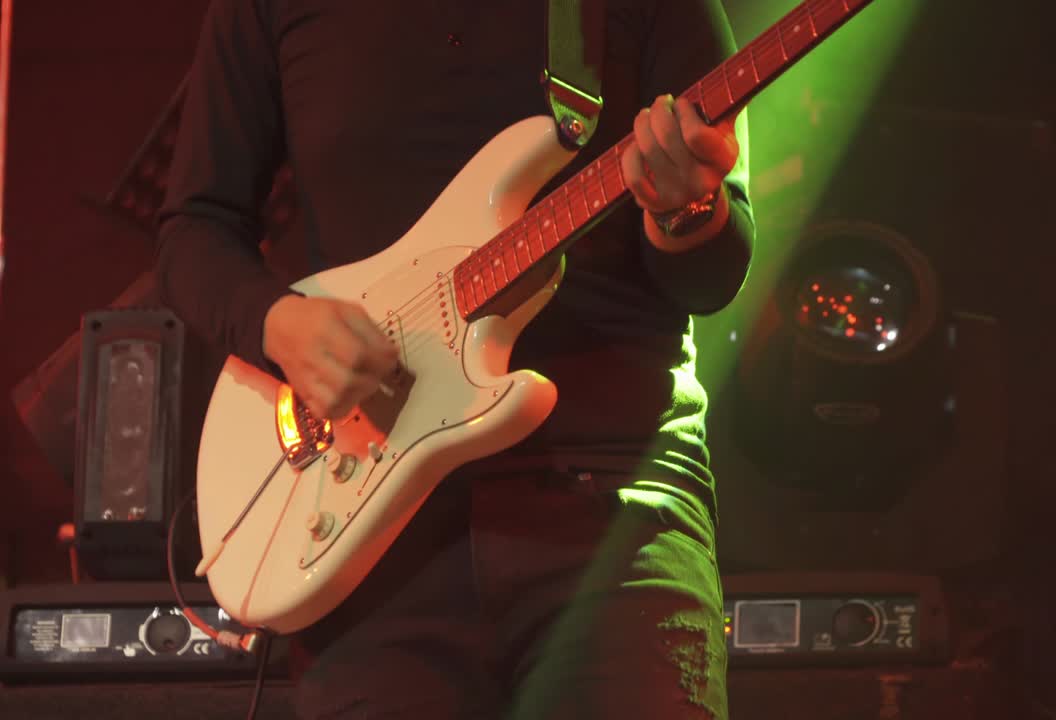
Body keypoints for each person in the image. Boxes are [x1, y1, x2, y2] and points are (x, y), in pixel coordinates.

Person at [156, 1, 753, 718]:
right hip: (371, 526)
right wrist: (279, 324)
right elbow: (194, 229)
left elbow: (712, 277)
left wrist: (686, 208)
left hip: (612, 501)